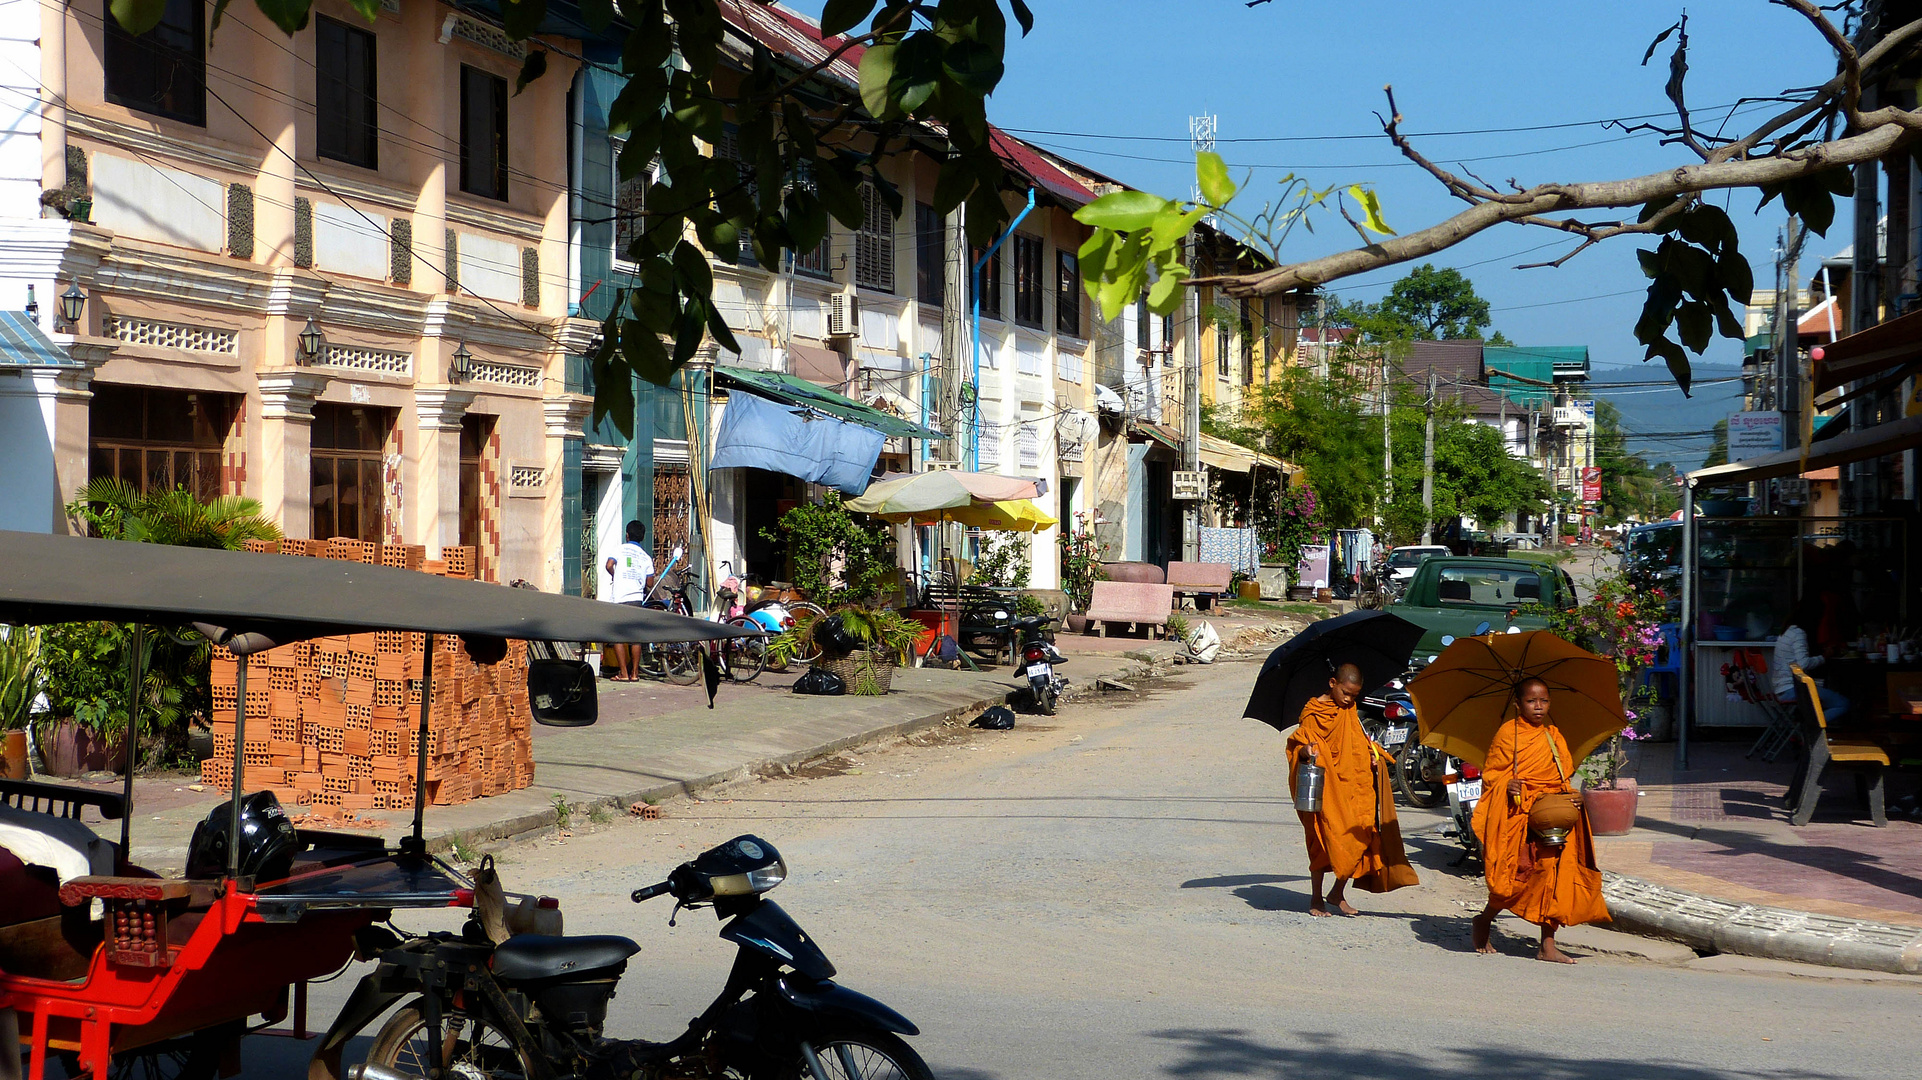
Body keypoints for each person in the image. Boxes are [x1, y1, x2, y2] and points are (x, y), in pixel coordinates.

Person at [1471, 677, 1608, 963]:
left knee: (1553, 876)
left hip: (1549, 817)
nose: (1538, 707)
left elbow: (1562, 776)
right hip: (1517, 815)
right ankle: (1485, 919)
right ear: (1517, 704)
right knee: (1513, 878)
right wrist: (1506, 785)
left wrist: (1573, 797)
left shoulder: (1553, 736)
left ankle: (1547, 945)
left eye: (1544, 701)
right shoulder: (1508, 734)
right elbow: (1492, 776)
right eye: (1531, 701)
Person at [1285, 662, 1419, 916]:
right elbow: (1298, 745)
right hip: (1327, 789)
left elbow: (1356, 742)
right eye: (1345, 693)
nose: (1348, 700)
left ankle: (1337, 892)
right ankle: (1316, 898)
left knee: (1362, 836)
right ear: (1332, 684)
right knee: (1322, 842)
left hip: (1354, 787)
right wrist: (1306, 751)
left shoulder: (1350, 710)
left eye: (1354, 696)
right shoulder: (1313, 712)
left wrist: (1371, 756)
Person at [1773, 597, 1848, 724]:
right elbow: (1803, 663)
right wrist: (1824, 657)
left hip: (1782, 688)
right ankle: (1812, 726)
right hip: (1793, 689)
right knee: (1843, 703)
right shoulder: (1799, 633)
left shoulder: (1787, 631)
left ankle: (1808, 725)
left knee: (1825, 694)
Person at [600, 520, 655, 682]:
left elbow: (609, 565)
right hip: (636, 599)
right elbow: (650, 583)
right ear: (642, 537)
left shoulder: (619, 549)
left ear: (627, 535)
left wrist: (615, 575)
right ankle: (635, 674)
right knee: (635, 638)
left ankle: (623, 673)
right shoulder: (646, 557)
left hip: (619, 598)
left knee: (618, 637)